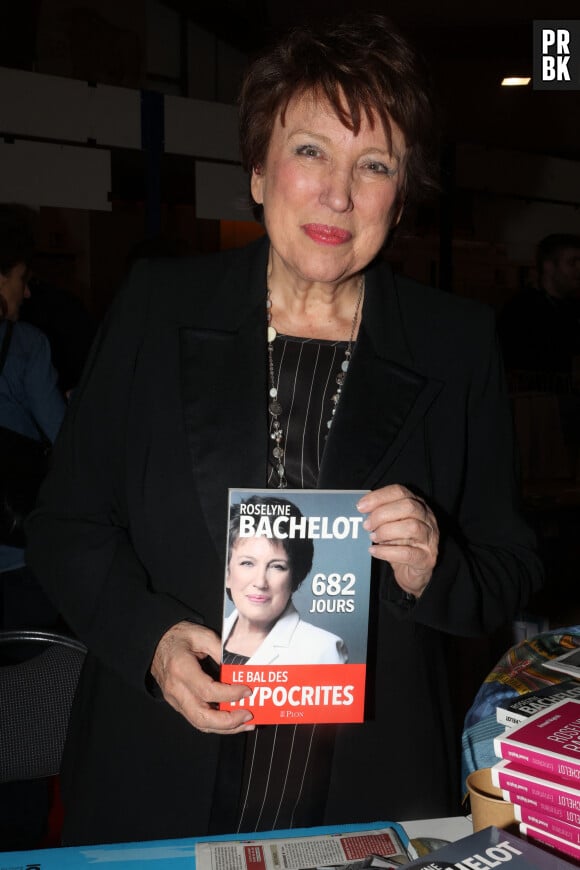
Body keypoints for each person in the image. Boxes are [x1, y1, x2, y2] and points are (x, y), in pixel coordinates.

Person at [26, 13, 543, 847]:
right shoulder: (160, 309)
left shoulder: (454, 345)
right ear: (260, 172)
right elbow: (63, 524)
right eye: (310, 151)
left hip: (368, 791)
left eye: (373, 165)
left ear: (399, 197)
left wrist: (433, 565)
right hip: (159, 771)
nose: (337, 194)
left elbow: (510, 565)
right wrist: (151, 641)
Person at [0, 209, 66, 629]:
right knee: (33, 685)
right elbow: (64, 435)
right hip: (13, 553)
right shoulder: (25, 345)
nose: (25, 293)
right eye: (21, 278)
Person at [223, 495, 348, 665]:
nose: (260, 582)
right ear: (228, 574)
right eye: (247, 563)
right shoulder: (203, 632)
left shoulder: (323, 650)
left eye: (277, 566)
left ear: (295, 577)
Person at [498, 233, 580, 379]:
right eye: (572, 262)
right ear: (548, 266)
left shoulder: (573, 308)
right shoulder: (521, 310)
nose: (578, 269)